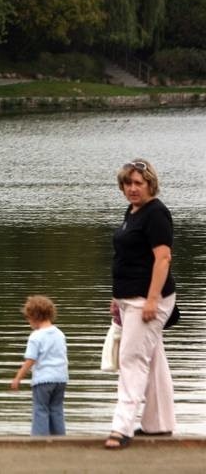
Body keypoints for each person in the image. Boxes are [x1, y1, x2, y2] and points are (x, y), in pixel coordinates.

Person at [104, 159, 176, 449]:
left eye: (139, 183)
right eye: (128, 183)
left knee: (131, 362)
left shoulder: (156, 213)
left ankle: (121, 429)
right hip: (128, 298)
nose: (133, 189)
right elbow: (128, 257)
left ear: (150, 184)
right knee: (153, 360)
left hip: (147, 300)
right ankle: (159, 425)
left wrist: (152, 300)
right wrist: (116, 297)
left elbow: (163, 258)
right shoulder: (133, 212)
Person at [10, 295, 68, 436]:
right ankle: (60, 439)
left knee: (40, 409)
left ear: (34, 316)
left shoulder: (36, 336)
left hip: (43, 380)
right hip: (61, 379)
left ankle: (39, 441)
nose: (28, 322)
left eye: (28, 318)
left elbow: (30, 360)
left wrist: (18, 378)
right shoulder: (60, 334)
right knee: (56, 409)